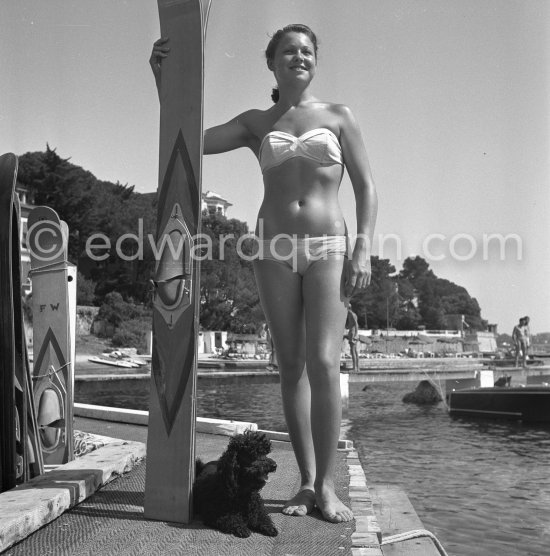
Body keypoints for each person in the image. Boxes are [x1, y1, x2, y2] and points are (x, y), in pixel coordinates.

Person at [150, 23, 377, 523]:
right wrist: (165, 81)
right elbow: (189, 139)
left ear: (315, 60)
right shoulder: (256, 121)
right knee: (290, 365)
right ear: (271, 62)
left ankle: (329, 487)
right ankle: (304, 483)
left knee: (323, 362)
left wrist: (363, 248)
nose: (299, 57)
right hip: (272, 248)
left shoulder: (339, 116)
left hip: (328, 246)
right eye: (288, 51)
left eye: (307, 51)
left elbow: (366, 187)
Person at [345, 307, 360, 372]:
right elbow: (351, 325)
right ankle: (357, 368)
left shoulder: (351, 314)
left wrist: (356, 334)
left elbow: (356, 324)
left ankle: (355, 368)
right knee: (355, 351)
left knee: (353, 351)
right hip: (352, 332)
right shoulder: (351, 314)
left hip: (352, 333)